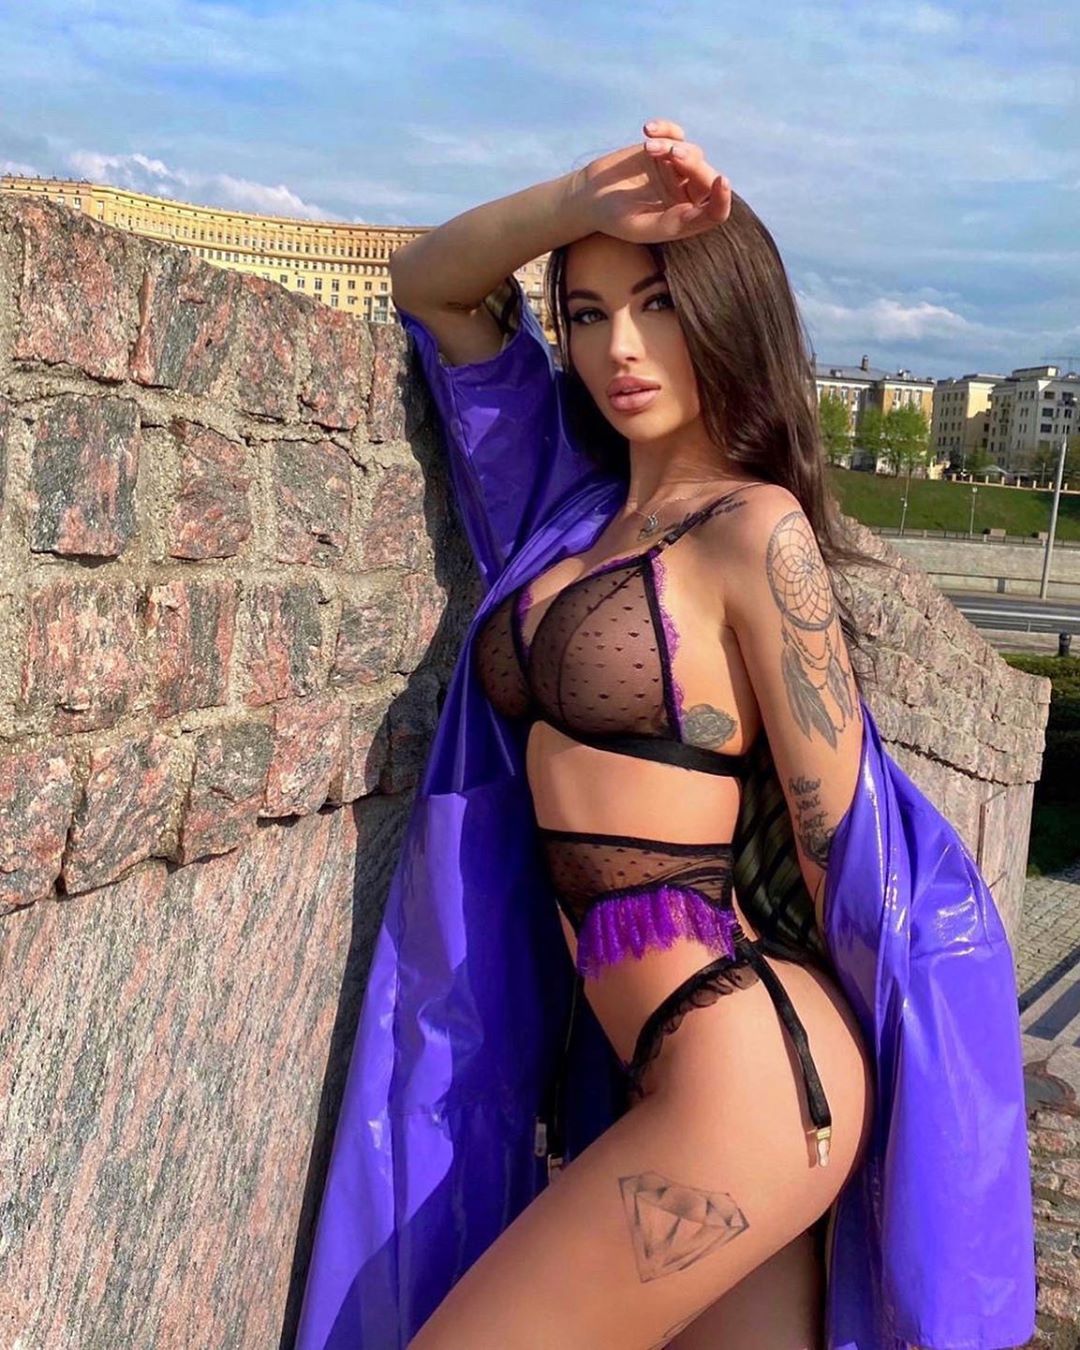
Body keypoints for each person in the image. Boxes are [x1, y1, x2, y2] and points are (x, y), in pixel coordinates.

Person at [295, 120, 1036, 1350]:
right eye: (587, 315)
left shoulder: (756, 531)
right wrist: (584, 196)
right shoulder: (560, 509)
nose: (618, 349)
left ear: (728, 317)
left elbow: (841, 859)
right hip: (668, 1076)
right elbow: (430, 286)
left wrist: (905, 1163)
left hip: (749, 1077)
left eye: (657, 306)